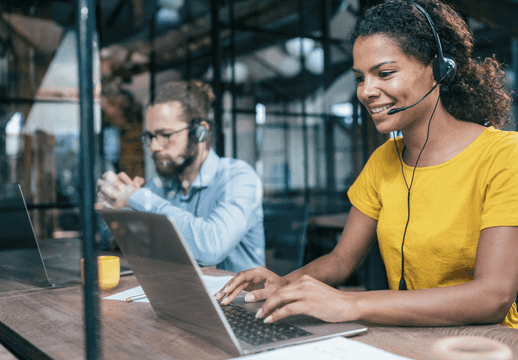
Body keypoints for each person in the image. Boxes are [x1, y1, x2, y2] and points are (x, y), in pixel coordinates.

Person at [216, 0, 518, 328]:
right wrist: (286, 284)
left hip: (487, 346)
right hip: (406, 338)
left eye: (384, 73)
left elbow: (494, 297)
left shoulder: (504, 156)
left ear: (438, 69)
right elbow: (341, 260)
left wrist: (351, 303)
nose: (367, 91)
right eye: (360, 78)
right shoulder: (383, 160)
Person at [96, 80, 265, 272]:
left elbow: (211, 247)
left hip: (241, 301)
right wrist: (115, 205)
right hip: (185, 296)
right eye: (150, 136)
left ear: (199, 132)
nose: (153, 146)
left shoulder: (239, 178)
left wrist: (137, 197)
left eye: (165, 135)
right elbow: (133, 241)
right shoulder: (163, 184)